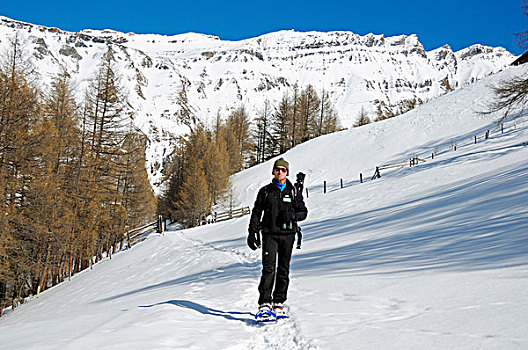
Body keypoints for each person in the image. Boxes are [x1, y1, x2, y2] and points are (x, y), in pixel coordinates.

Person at [247, 157, 308, 320]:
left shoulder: (294, 191)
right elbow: (256, 211)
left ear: (287, 172)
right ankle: (265, 304)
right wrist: (252, 231)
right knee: (268, 269)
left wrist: (292, 215)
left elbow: (303, 213)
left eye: (283, 170)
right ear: (273, 171)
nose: (280, 172)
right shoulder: (266, 191)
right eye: (277, 169)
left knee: (283, 269)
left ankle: (279, 303)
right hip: (269, 235)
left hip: (288, 236)